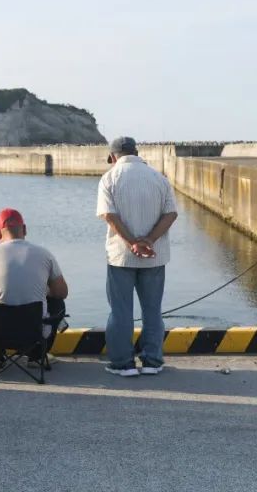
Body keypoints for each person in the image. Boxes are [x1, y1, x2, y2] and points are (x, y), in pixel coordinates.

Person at [96, 136, 178, 377]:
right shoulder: (159, 178)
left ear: (113, 157)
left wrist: (132, 243)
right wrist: (148, 241)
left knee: (121, 311)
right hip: (155, 256)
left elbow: (109, 216)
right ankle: (152, 361)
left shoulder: (109, 178)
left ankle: (123, 364)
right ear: (137, 152)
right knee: (152, 310)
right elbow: (171, 214)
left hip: (121, 257)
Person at [0, 208, 69, 356]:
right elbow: (62, 292)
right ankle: (37, 356)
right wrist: (44, 290)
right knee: (58, 304)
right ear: (25, 229)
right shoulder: (45, 254)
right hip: (34, 334)